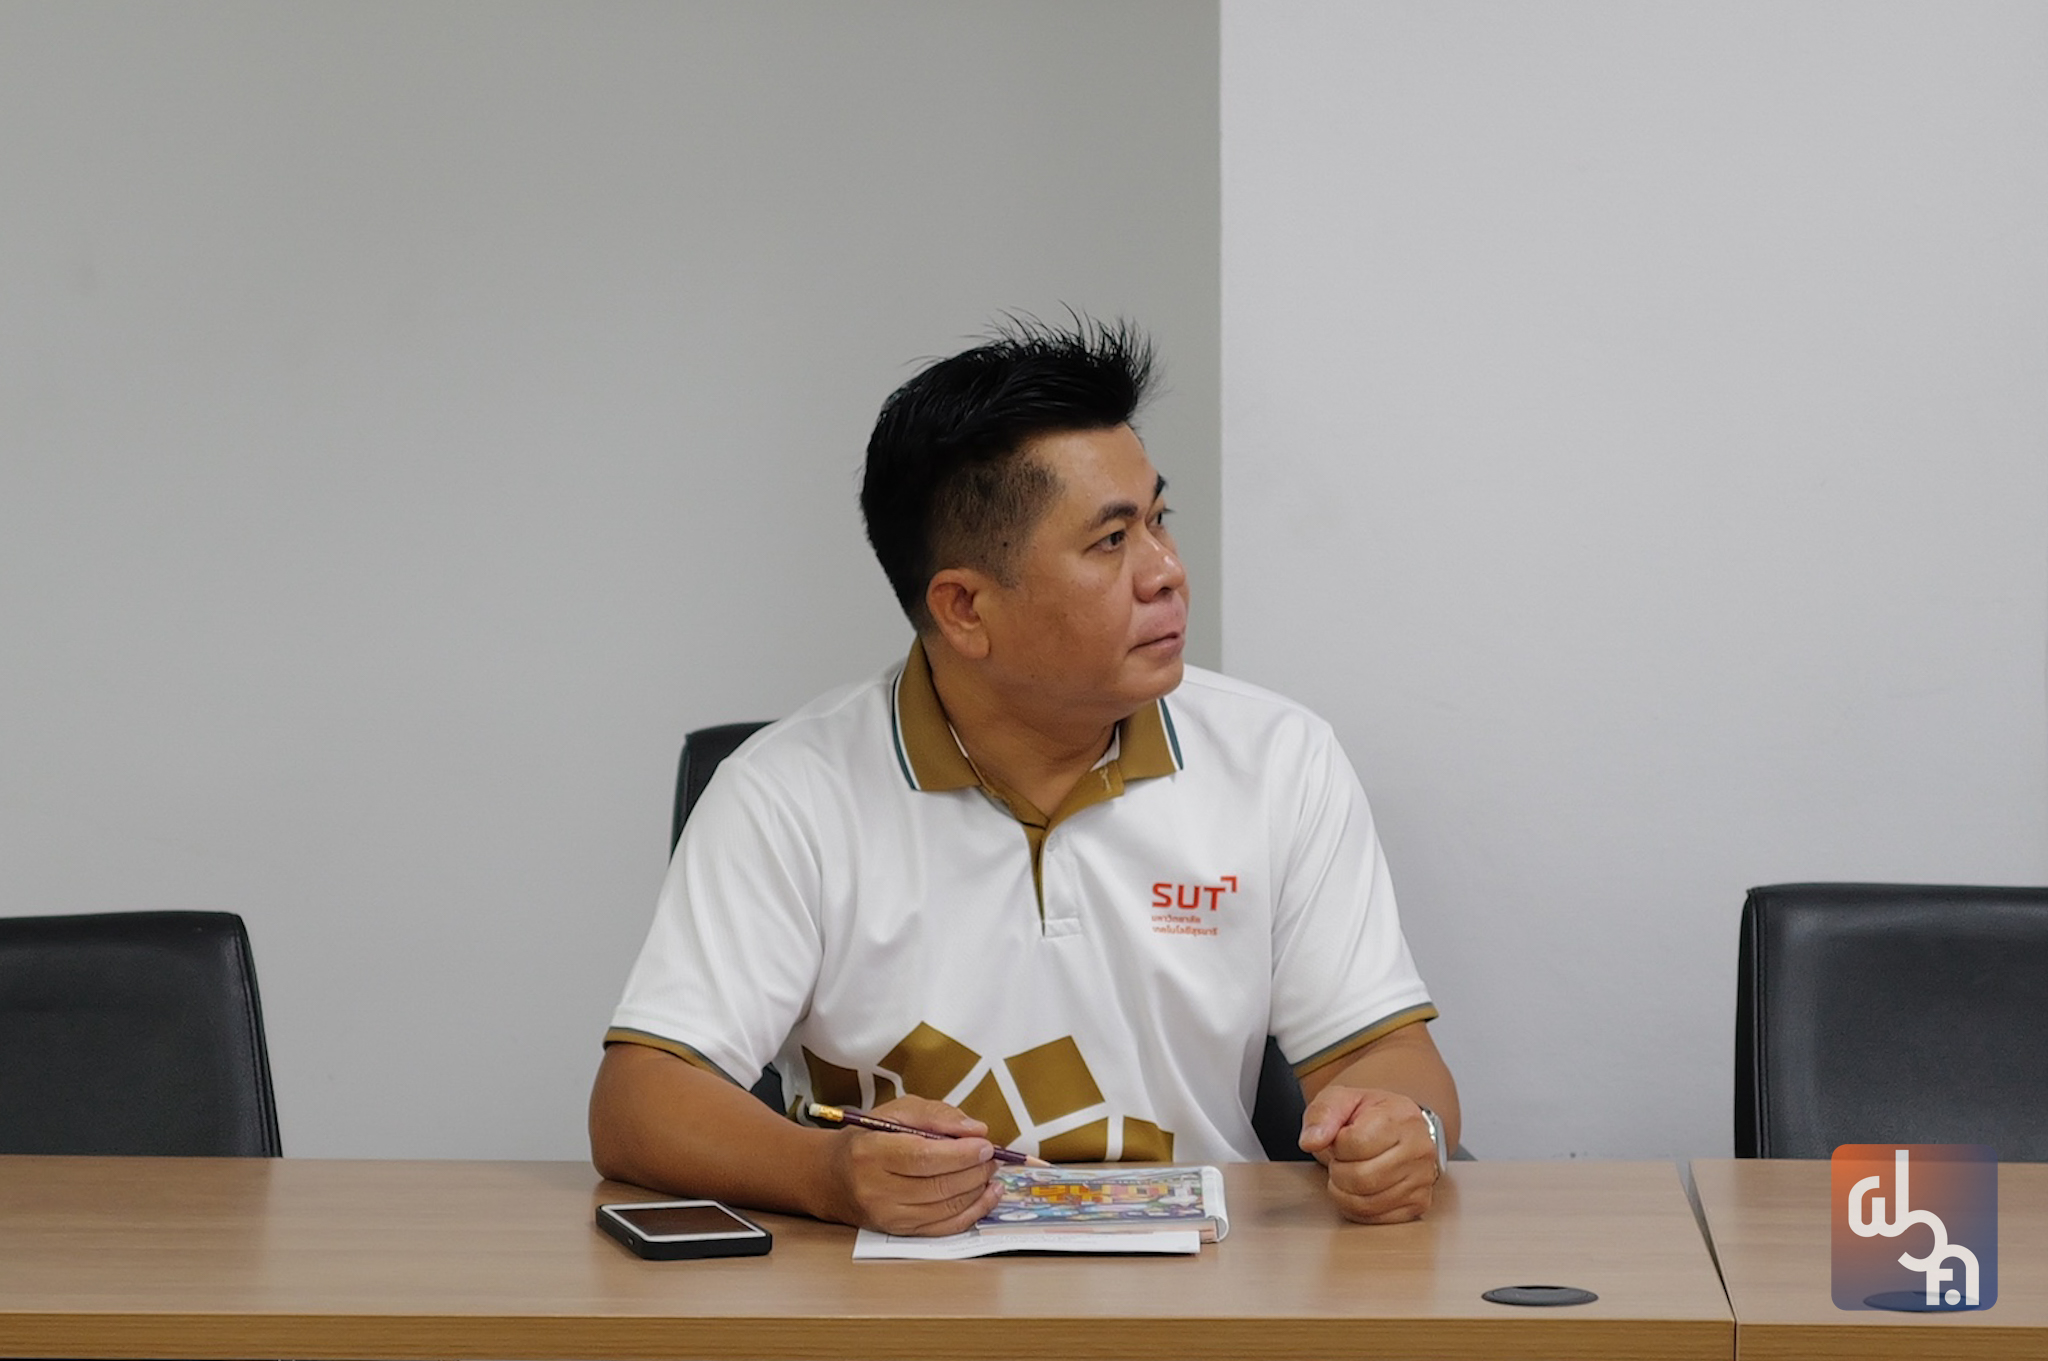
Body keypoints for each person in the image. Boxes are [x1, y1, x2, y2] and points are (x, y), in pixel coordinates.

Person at [590, 316, 1459, 1235]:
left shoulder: (1279, 758)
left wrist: (1407, 1129)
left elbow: (1385, 1056)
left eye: (1159, 520)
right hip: (898, 1288)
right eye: (1111, 540)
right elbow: (639, 1098)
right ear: (964, 607)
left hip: (1208, 1281)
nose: (1167, 572)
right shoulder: (787, 792)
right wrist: (827, 1175)